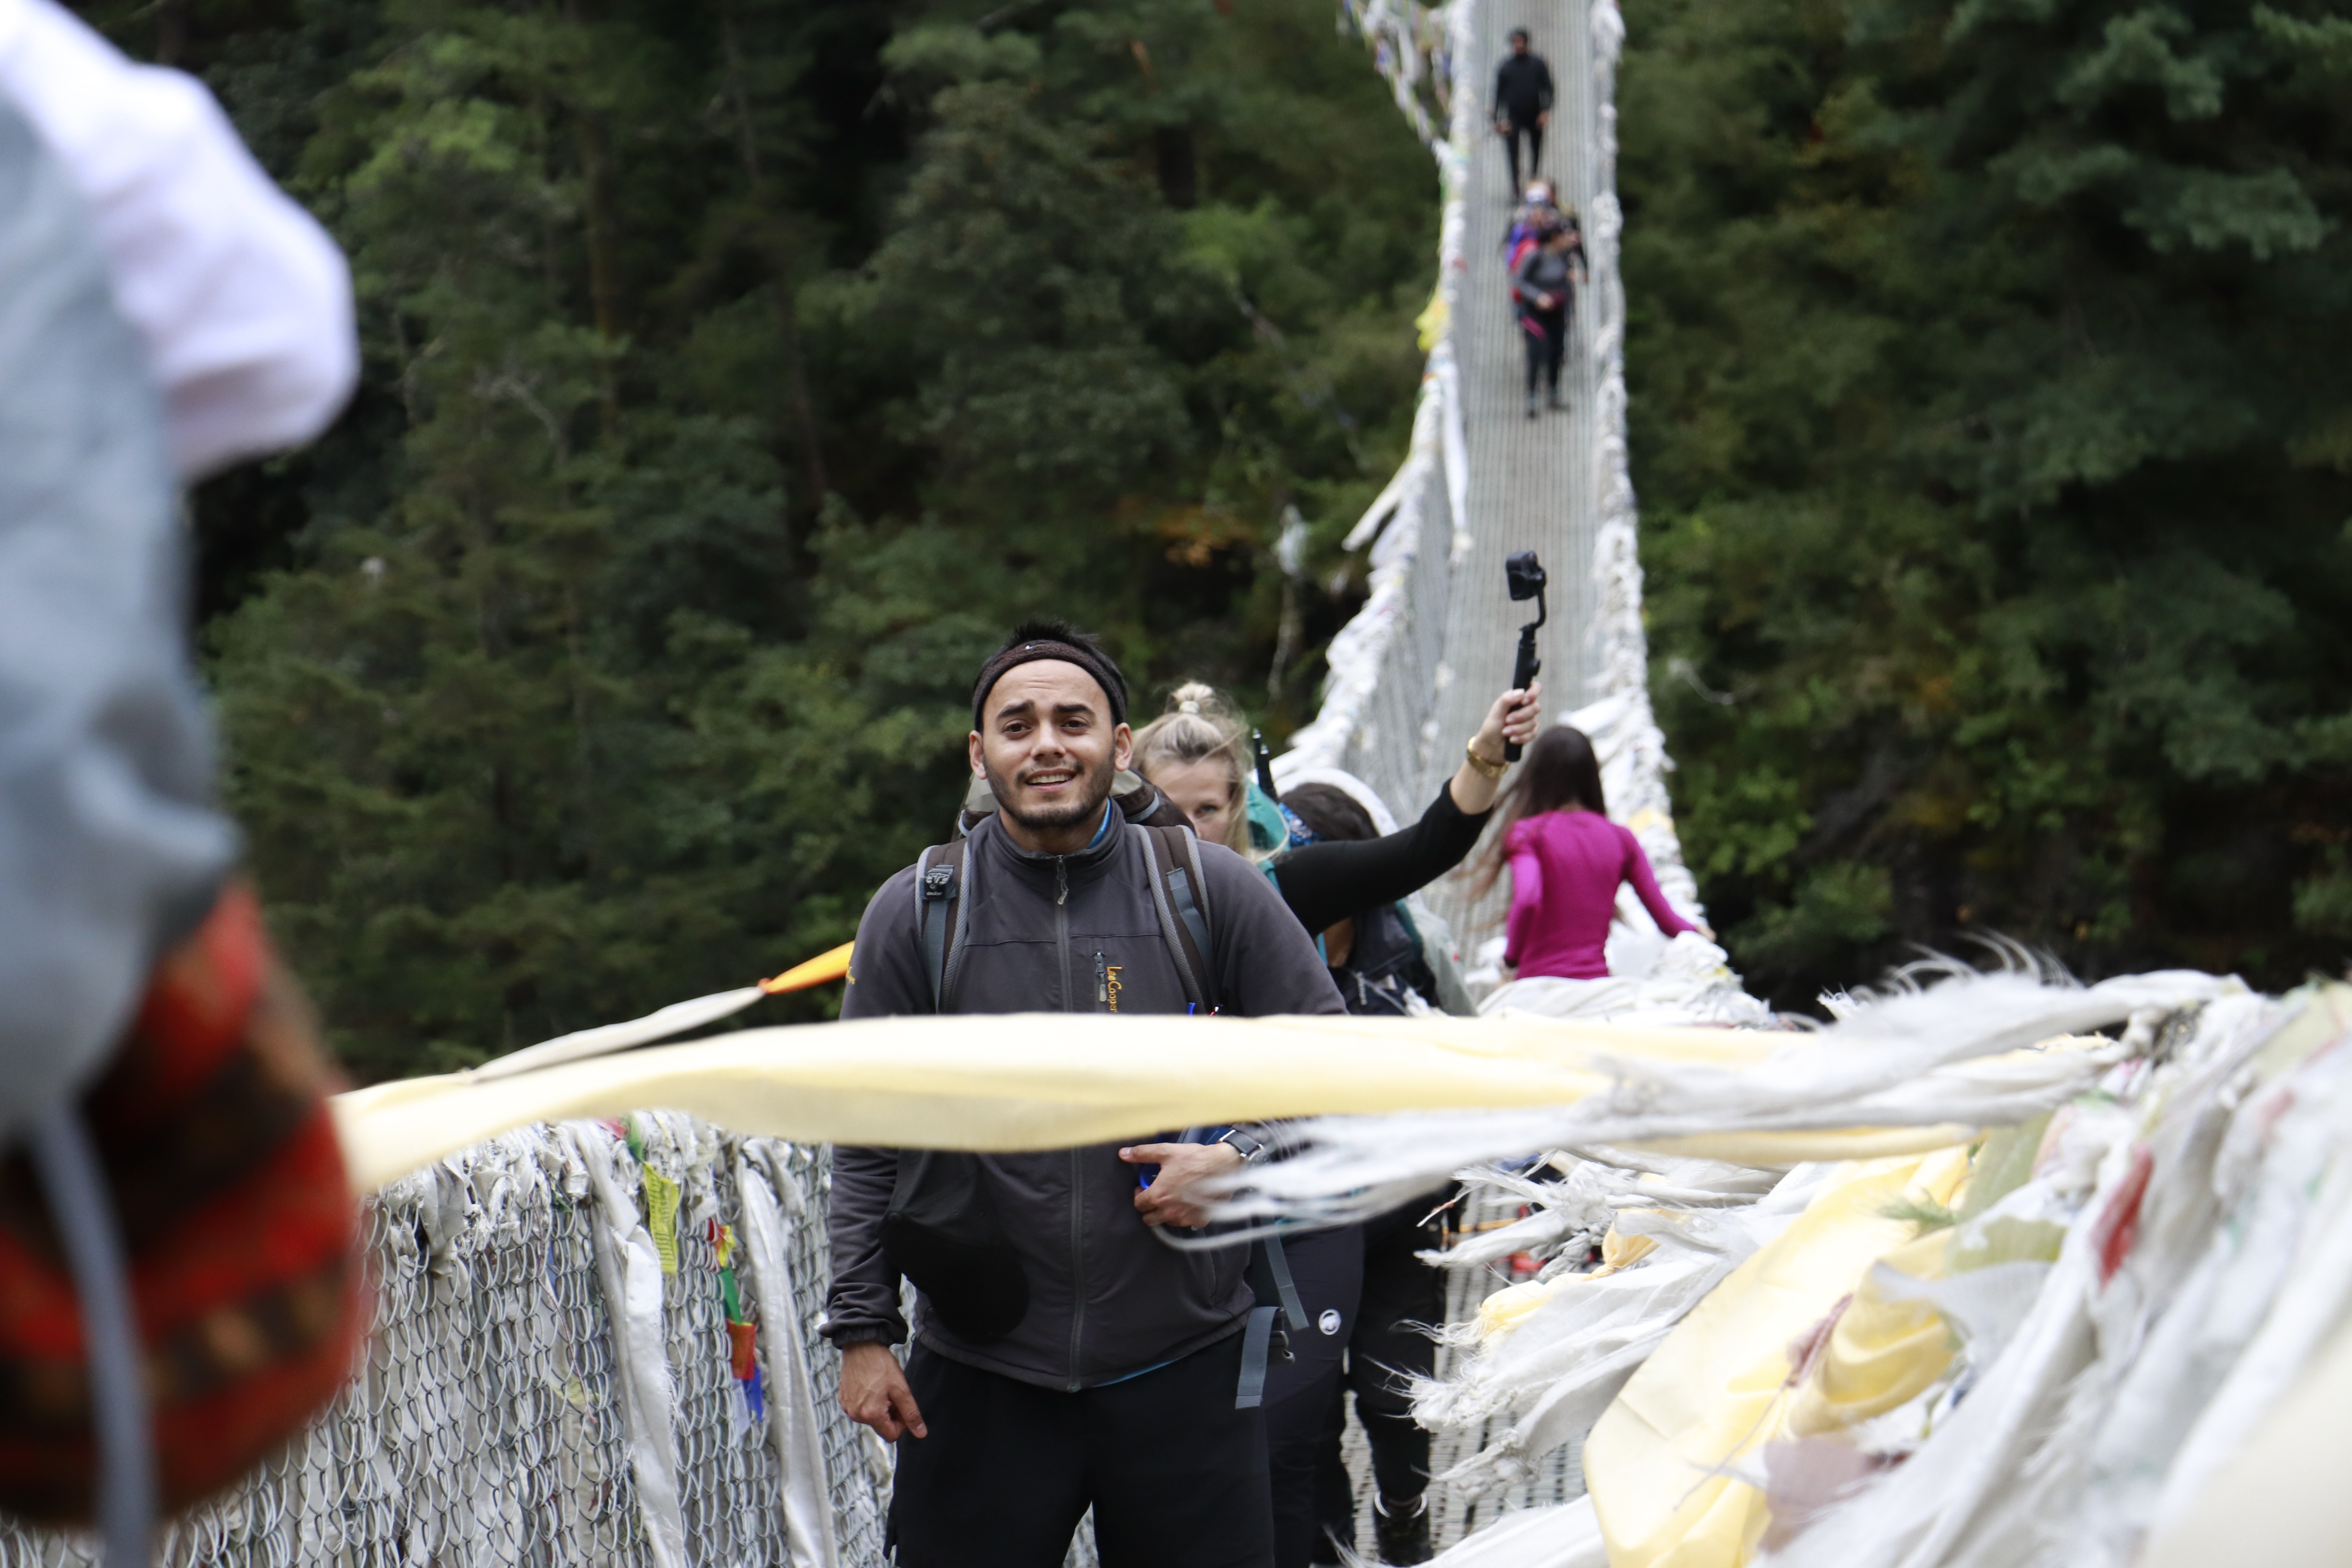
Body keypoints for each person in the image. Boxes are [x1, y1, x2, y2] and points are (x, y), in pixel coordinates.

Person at [824, 621, 1348, 1568]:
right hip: (982, 1371)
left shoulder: (1208, 887)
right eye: (1017, 725)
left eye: (1073, 719)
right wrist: (862, 1330)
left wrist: (1241, 1159)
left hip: (1184, 1362)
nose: (1047, 743)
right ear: (981, 754)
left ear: (1120, 745)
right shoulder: (917, 909)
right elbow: (867, 1131)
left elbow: (1338, 1070)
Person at [1131, 682, 1542, 1567]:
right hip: (1157, 1228)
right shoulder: (1091, 909)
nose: (1193, 829)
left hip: (1293, 1215)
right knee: (1184, 1466)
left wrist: (1485, 752)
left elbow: (1420, 851)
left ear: (1241, 811)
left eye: (1211, 809)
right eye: (1171, 809)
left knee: (1288, 1444)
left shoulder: (1277, 892)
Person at [1475, 724, 1702, 980]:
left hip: (1537, 989)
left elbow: (1528, 898)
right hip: (1597, 988)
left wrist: (1510, 961)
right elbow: (1667, 921)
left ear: (1536, 776)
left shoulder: (1527, 834)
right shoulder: (1621, 838)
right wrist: (1698, 932)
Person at [1134, 682, 1254, 855]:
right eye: (1169, 811)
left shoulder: (1266, 880)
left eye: (1207, 810)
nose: (1192, 832)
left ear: (1234, 806)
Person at [1514, 218, 1586, 417]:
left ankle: (1553, 393)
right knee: (1537, 351)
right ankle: (1532, 397)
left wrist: (1572, 280)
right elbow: (1519, 281)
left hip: (1558, 313)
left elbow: (1566, 281)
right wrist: (1538, 297)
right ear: (1555, 238)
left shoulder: (1564, 257)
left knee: (1557, 352)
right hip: (1535, 314)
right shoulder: (1535, 257)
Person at [1492, 28, 1553, 198]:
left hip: (1534, 113)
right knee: (1513, 151)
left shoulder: (1538, 64)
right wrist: (1497, 119)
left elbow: (1548, 88)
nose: (1518, 46)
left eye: (1521, 42)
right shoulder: (1506, 67)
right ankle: (1515, 185)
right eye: (1515, 42)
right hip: (1514, 116)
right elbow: (1499, 95)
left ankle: (1533, 179)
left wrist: (1546, 111)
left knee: (1536, 149)